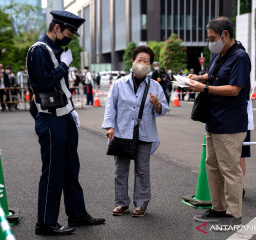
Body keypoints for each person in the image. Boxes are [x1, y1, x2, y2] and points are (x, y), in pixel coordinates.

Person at [26, 10, 105, 236]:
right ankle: (45, 222)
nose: (70, 37)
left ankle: (77, 213)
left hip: (64, 115)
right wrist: (63, 66)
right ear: (57, 28)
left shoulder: (55, 50)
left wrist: (71, 108)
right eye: (69, 32)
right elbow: (43, 84)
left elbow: (59, 87)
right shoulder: (38, 50)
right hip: (51, 118)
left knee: (71, 167)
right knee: (53, 171)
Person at [186, 16, 250, 230]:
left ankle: (234, 215)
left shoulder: (240, 57)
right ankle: (218, 208)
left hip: (230, 124)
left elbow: (234, 89)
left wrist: (204, 88)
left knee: (230, 170)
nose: (210, 42)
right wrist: (197, 78)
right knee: (212, 166)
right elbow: (211, 75)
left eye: (212, 38)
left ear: (225, 35)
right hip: (213, 121)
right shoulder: (219, 55)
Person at [102, 46, 168, 218]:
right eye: (139, 60)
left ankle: (141, 204)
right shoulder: (119, 84)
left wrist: (157, 104)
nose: (142, 63)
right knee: (120, 171)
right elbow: (111, 107)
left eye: (146, 61)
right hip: (122, 133)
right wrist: (110, 126)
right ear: (133, 61)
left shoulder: (155, 86)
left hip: (145, 133)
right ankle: (121, 203)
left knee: (142, 170)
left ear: (150, 65)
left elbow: (164, 108)